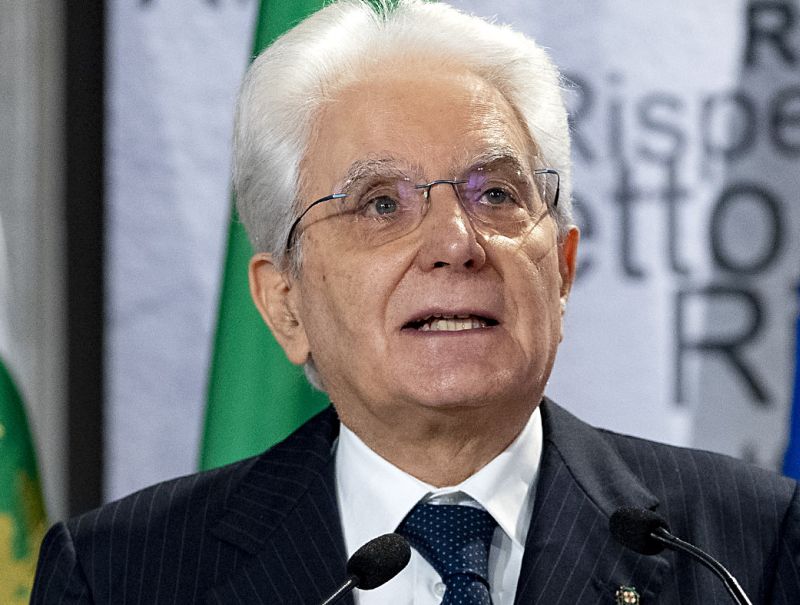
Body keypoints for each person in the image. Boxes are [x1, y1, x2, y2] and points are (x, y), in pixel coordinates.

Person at [32, 1, 799, 603]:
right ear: (285, 303)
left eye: (496, 194)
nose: (455, 242)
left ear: (562, 271)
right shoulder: (121, 574)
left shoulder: (748, 546)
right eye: (379, 204)